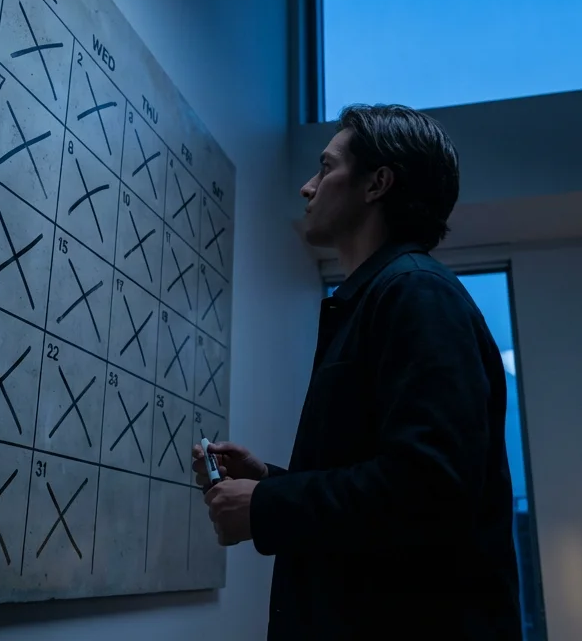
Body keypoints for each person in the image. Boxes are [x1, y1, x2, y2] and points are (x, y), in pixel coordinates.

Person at [193, 104, 523, 639]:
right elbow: (391, 479)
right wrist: (271, 481)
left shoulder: (416, 294)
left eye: (325, 168)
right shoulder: (384, 297)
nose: (307, 187)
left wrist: (268, 505)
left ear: (377, 184)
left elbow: (430, 489)